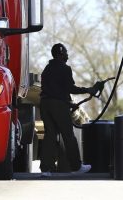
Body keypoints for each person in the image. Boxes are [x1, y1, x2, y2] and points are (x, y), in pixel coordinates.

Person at [40, 43, 97, 176]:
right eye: (65, 52)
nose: (67, 55)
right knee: (68, 136)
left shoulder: (47, 69)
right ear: (60, 54)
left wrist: (70, 104)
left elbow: (54, 91)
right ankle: (76, 167)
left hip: (45, 104)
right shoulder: (65, 68)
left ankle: (46, 169)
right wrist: (88, 90)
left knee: (50, 136)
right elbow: (70, 88)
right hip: (58, 106)